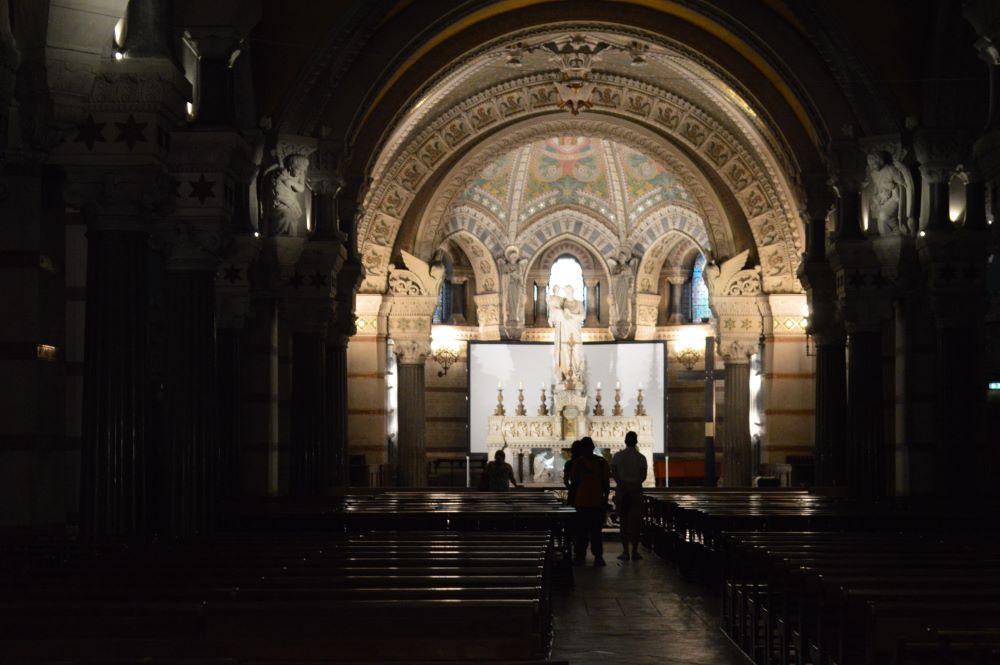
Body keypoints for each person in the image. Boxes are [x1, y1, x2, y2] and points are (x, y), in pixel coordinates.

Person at [569, 437, 610, 567]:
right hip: (593, 501)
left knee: (583, 532)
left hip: (583, 502)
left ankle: (581, 556)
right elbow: (606, 484)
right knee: (594, 532)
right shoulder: (601, 462)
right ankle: (597, 557)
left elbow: (573, 482)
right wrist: (605, 498)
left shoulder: (580, 463)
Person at [611, 431, 648, 561]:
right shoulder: (641, 457)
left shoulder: (618, 456)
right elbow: (643, 476)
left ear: (625, 441)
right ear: (636, 441)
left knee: (624, 522)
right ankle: (635, 551)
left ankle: (625, 552)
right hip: (636, 491)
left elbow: (614, 473)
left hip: (622, 491)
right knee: (636, 522)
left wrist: (623, 485)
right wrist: (633, 486)